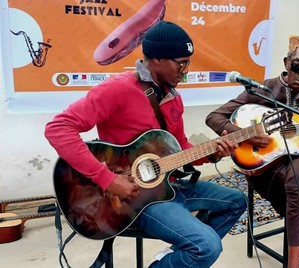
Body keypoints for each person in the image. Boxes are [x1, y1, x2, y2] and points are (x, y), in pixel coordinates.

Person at [45, 21, 246, 268]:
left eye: (188, 63)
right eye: (181, 62)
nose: (185, 70)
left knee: (237, 201)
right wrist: (107, 179)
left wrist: (213, 154)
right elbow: (58, 129)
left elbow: (179, 146)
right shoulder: (117, 89)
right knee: (206, 247)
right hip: (132, 201)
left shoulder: (173, 96)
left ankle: (172, 259)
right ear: (157, 60)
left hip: (168, 186)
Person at [206, 35, 299, 268]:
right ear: (286, 62)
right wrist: (244, 133)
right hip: (268, 167)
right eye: (298, 66)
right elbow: (215, 117)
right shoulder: (263, 90)